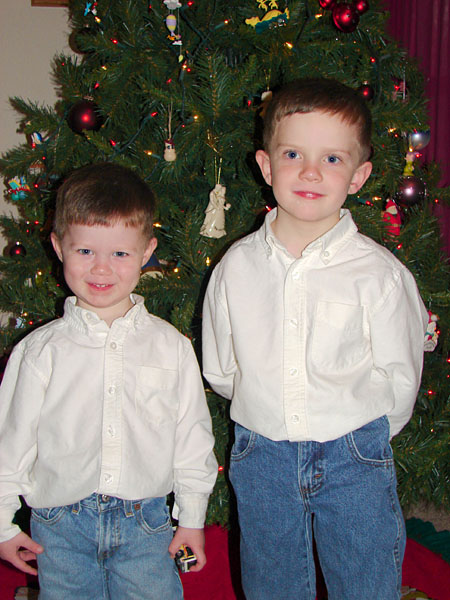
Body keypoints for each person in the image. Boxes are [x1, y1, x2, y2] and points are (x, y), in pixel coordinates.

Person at [202, 78, 428, 600]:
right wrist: (269, 407)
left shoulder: (378, 273)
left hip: (354, 453)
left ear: (358, 175)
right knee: (271, 581)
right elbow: (222, 366)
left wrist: (359, 431)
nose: (309, 171)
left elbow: (399, 377)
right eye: (293, 153)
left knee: (365, 577)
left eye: (331, 159)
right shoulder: (236, 268)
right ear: (265, 165)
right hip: (262, 453)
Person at [0, 162, 218, 600]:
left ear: (146, 251)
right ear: (59, 247)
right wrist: (3, 523)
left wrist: (192, 517)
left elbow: (192, 437)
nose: (101, 268)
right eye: (85, 252)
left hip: (147, 524)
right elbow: (11, 439)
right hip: (60, 527)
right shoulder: (41, 351)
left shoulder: (170, 347)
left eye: (119, 253)